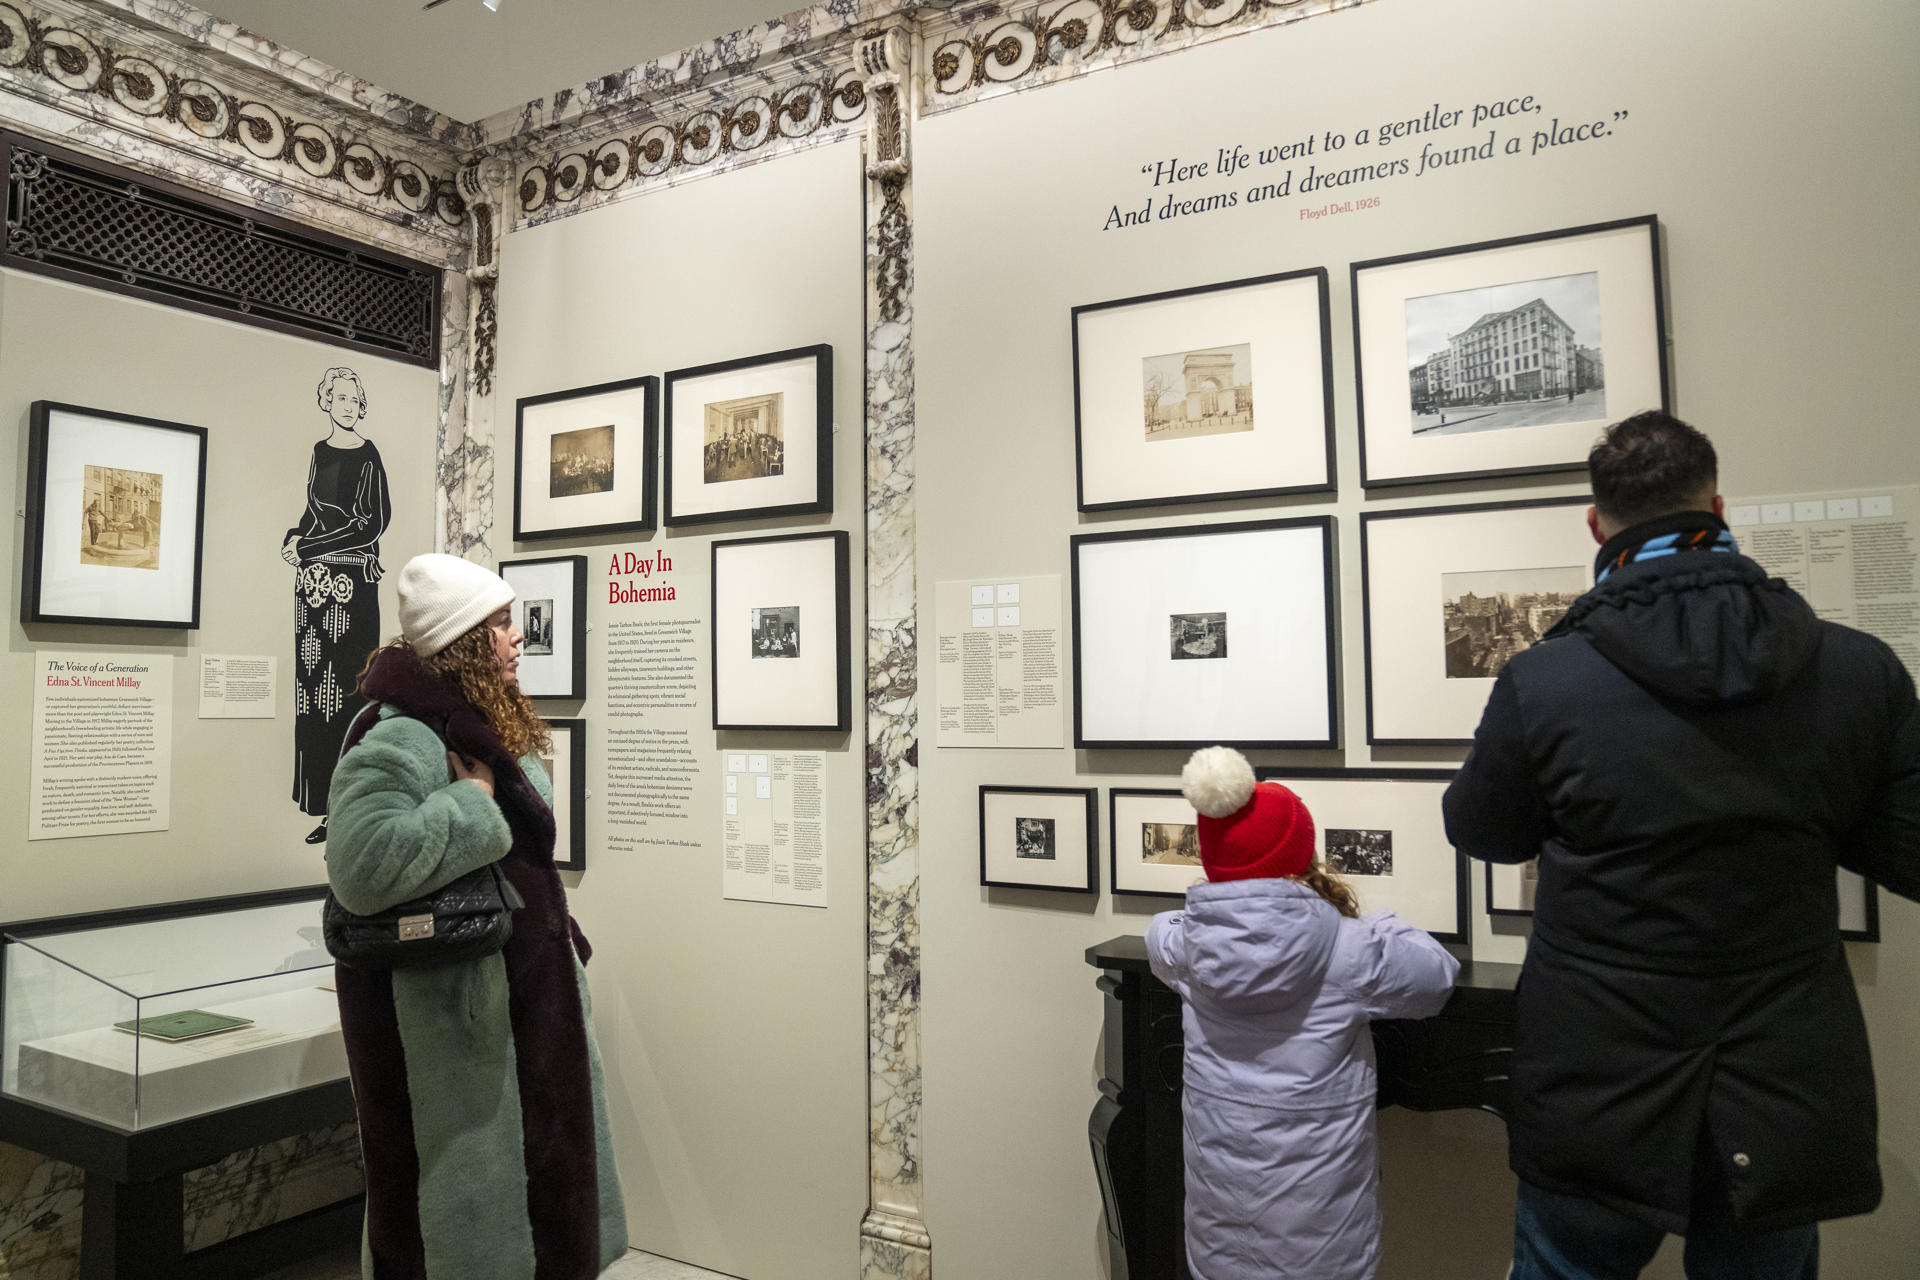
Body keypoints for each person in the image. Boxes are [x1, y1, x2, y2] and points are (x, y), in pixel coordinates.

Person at [1443, 410, 1920, 1279]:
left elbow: (1481, 829)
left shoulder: (1546, 678)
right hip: (1784, 1081)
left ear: (1597, 523)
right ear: (1719, 507)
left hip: (1597, 1075)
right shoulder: (1859, 668)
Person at [327, 553, 627, 1279]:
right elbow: (361, 866)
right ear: (463, 640)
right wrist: (472, 807)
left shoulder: (469, 726)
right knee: (466, 1222)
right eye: (500, 624)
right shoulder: (403, 734)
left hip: (514, 1002)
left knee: (540, 1200)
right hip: (456, 1023)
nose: (517, 637)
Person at [1146, 747, 1459, 1280]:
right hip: (1322, 1246)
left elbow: (1162, 932)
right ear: (1302, 854)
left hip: (1217, 1235)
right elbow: (1437, 976)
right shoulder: (1350, 949)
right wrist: (1376, 923)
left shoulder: (1183, 946)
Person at [286, 366, 392, 844]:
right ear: (327, 402)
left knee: (347, 691)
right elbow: (314, 509)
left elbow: (370, 523)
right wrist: (295, 536)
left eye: (355, 398)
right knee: (312, 692)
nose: (348, 404)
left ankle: (346, 807)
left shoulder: (369, 456)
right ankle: (321, 802)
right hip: (312, 588)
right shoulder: (319, 453)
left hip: (351, 584)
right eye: (341, 397)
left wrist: (310, 546)